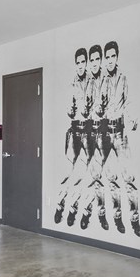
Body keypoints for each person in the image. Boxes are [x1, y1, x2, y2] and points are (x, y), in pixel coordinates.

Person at [98, 40, 140, 236]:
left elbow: (129, 101)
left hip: (120, 133)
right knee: (109, 178)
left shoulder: (123, 78)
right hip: (104, 133)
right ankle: (114, 218)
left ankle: (134, 220)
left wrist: (133, 119)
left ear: (117, 57)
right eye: (106, 57)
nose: (109, 60)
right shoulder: (98, 80)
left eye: (112, 56)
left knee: (129, 178)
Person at [54, 48, 91, 225]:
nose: (82, 65)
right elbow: (68, 112)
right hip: (75, 132)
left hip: (90, 133)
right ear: (76, 64)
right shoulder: (71, 87)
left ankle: (76, 209)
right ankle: (61, 205)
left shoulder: (93, 83)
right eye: (79, 62)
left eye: (84, 62)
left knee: (87, 176)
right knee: (71, 173)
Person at [78, 44, 109, 231]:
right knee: (91, 175)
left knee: (104, 177)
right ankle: (84, 212)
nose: (95, 63)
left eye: (98, 59)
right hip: (90, 133)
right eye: (92, 60)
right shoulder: (86, 83)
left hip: (106, 132)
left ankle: (96, 214)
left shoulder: (107, 80)